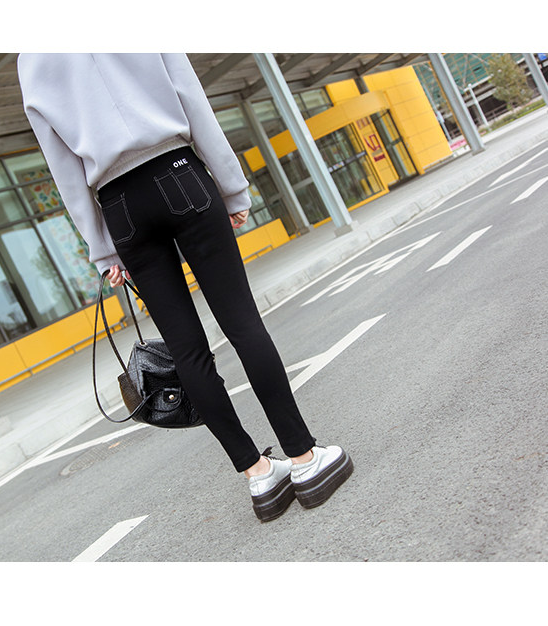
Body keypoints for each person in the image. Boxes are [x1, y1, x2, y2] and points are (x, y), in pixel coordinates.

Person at [18, 53, 353, 521]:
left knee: (186, 350)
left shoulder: (31, 59)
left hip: (119, 205)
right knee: (242, 323)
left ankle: (258, 474)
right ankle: (303, 458)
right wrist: (232, 187)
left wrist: (102, 249)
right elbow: (190, 97)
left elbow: (63, 167)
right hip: (177, 171)